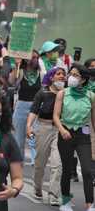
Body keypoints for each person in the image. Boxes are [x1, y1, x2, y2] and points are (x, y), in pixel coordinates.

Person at [53, 64, 95, 211]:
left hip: (83, 135)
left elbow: (94, 123)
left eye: (75, 75)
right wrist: (61, 129)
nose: (71, 77)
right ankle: (65, 201)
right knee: (66, 169)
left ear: (83, 79)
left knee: (88, 170)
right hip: (65, 133)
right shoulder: (62, 93)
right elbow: (56, 116)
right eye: (71, 74)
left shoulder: (91, 96)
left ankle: (90, 203)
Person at [26, 67, 66, 206]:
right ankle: (37, 188)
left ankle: (54, 195)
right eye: (58, 74)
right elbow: (33, 110)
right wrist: (29, 126)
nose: (62, 76)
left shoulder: (67, 93)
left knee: (58, 164)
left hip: (60, 130)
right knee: (40, 164)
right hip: (43, 128)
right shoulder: (42, 93)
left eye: (63, 74)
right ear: (51, 77)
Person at [9, 51, 42, 159]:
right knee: (19, 140)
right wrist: (16, 66)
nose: (35, 60)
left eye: (37, 57)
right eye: (32, 57)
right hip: (21, 108)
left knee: (35, 139)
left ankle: (36, 164)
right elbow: (11, 81)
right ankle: (18, 166)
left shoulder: (41, 73)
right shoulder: (21, 71)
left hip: (36, 108)